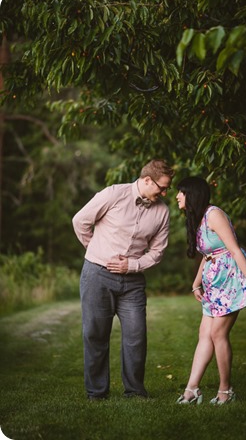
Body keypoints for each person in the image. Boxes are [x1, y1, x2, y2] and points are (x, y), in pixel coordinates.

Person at [72, 159, 175, 401]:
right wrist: (97, 250)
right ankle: (97, 392)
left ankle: (135, 391)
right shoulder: (113, 194)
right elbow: (80, 221)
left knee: (136, 336)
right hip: (97, 275)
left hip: (133, 283)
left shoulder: (162, 211)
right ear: (147, 180)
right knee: (95, 334)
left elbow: (157, 252)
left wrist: (132, 265)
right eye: (162, 187)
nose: (165, 192)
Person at [175, 177, 246, 405]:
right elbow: (207, 255)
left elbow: (233, 250)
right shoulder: (198, 218)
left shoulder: (214, 215)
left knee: (217, 334)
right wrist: (196, 283)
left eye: (180, 192)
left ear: (192, 194)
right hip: (214, 280)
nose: (177, 196)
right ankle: (192, 389)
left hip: (232, 277)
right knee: (204, 334)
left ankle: (226, 390)